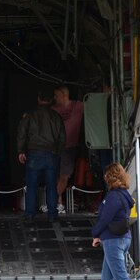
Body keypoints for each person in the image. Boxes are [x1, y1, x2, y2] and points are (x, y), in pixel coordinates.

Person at [84, 163, 140, 280]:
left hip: (113, 240)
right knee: (107, 277)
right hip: (123, 238)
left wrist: (95, 233)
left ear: (109, 177)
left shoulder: (112, 197)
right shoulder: (125, 195)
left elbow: (105, 219)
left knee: (120, 275)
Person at [17, 89, 66, 222]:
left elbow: (22, 134)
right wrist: (57, 151)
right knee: (51, 186)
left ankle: (29, 214)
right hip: (51, 155)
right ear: (51, 100)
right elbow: (62, 137)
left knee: (31, 186)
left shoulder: (30, 116)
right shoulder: (56, 117)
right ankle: (52, 215)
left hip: (33, 154)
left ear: (39, 99)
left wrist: (21, 151)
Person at [50, 84, 84, 214]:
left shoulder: (78, 106)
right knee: (55, 176)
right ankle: (58, 203)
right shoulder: (53, 109)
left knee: (64, 176)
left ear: (64, 95)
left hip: (70, 147)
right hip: (55, 147)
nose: (54, 98)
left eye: (56, 95)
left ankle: (52, 201)